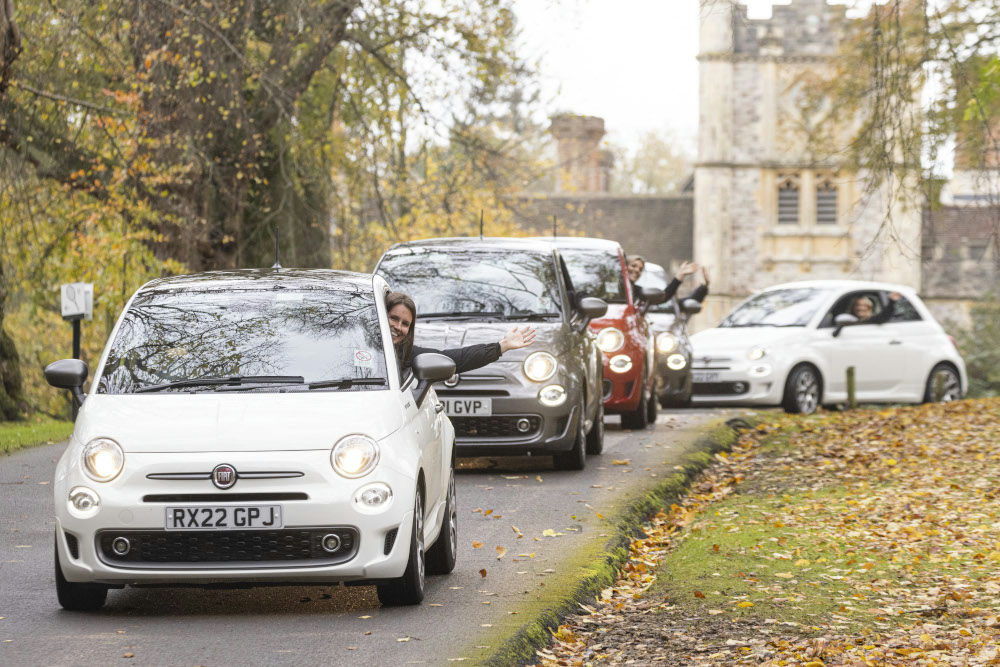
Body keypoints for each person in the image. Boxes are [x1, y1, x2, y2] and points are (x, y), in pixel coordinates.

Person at [385, 292, 537, 374]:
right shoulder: (362, 347)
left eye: (405, 324)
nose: (398, 327)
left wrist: (501, 346)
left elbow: (455, 358)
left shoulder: (406, 354)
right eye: (393, 318)